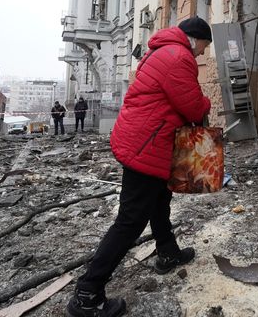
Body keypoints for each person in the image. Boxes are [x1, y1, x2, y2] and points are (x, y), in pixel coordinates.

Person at [67, 17, 213, 317]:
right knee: (130, 221)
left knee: (160, 201)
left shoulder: (163, 51)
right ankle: (87, 293)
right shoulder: (178, 56)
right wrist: (207, 103)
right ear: (195, 39)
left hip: (147, 142)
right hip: (147, 146)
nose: (202, 54)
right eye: (204, 47)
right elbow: (193, 106)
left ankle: (168, 253)